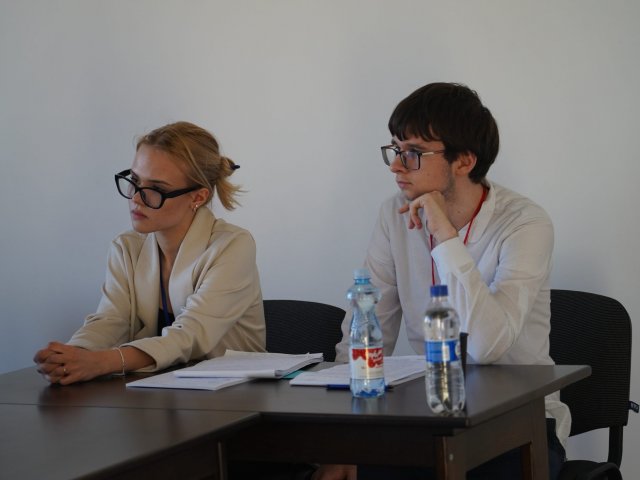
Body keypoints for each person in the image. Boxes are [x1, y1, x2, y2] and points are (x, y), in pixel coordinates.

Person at [314, 83, 568, 480]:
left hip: (520, 421)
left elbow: (486, 346)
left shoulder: (525, 223)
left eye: (413, 153)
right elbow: (367, 330)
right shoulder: (393, 215)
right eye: (395, 149)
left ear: (464, 161)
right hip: (431, 413)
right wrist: (344, 440)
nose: (396, 166)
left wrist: (445, 236)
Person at [34, 121, 265, 384]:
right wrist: (72, 355)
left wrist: (102, 362)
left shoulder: (233, 245)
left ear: (198, 197)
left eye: (156, 189)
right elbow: (111, 320)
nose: (135, 198)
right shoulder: (126, 247)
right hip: (156, 393)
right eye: (134, 180)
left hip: (231, 396)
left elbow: (189, 335)